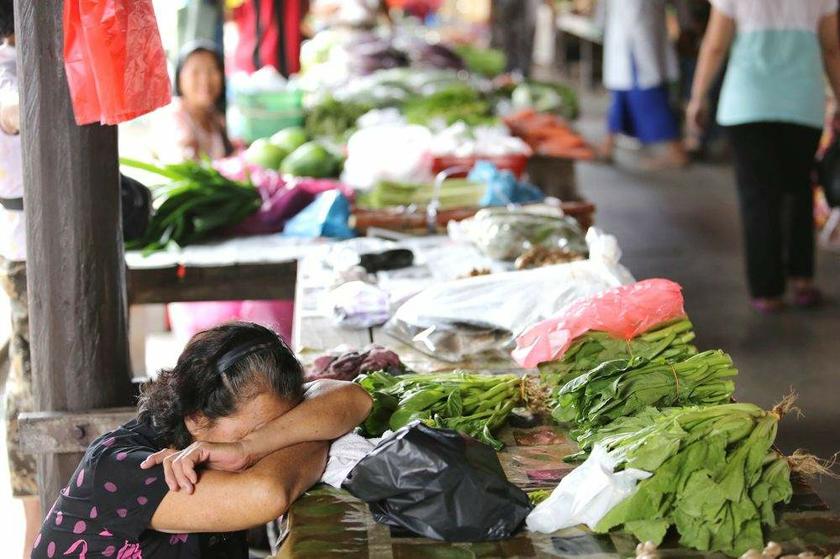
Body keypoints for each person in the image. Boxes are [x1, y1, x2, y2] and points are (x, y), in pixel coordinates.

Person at [33, 321, 372, 558]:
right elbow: (268, 493)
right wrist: (314, 429)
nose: (276, 438)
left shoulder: (248, 420)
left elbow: (355, 399)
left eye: (284, 424)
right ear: (195, 417)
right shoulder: (124, 469)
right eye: (257, 432)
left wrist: (249, 446)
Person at [687, 0, 840, 312]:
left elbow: (715, 45)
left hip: (747, 103)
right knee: (798, 190)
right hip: (802, 103)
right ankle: (802, 280)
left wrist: (697, 98)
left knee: (757, 197)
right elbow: (832, 49)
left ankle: (767, 291)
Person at [0, 3, 42, 557]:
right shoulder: (11, 63)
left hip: (25, 248)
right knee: (29, 386)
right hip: (27, 252)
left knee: (26, 379)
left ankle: (38, 531)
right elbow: (13, 107)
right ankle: (36, 533)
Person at [598, 0, 687, 167]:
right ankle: (607, 146)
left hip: (637, 48)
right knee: (619, 100)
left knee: (652, 100)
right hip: (629, 45)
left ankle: (677, 152)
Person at [165, 41, 233, 162]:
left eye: (212, 71)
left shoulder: (215, 117)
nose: (205, 80)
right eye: (195, 72)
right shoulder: (175, 118)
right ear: (180, 78)